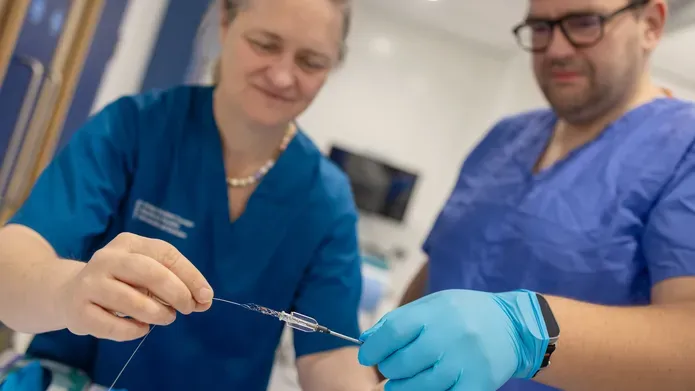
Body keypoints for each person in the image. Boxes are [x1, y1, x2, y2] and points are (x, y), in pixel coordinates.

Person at [0, 0, 379, 390]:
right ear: (225, 23)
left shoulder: (326, 201)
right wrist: (68, 291)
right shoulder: (135, 129)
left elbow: (327, 354)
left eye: (311, 61)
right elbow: (13, 264)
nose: (283, 76)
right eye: (265, 44)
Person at [358, 0, 695, 390]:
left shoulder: (683, 150)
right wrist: (378, 367)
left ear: (651, 25)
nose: (556, 49)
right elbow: (440, 269)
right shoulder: (503, 139)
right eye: (540, 28)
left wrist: (525, 331)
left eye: (585, 24)